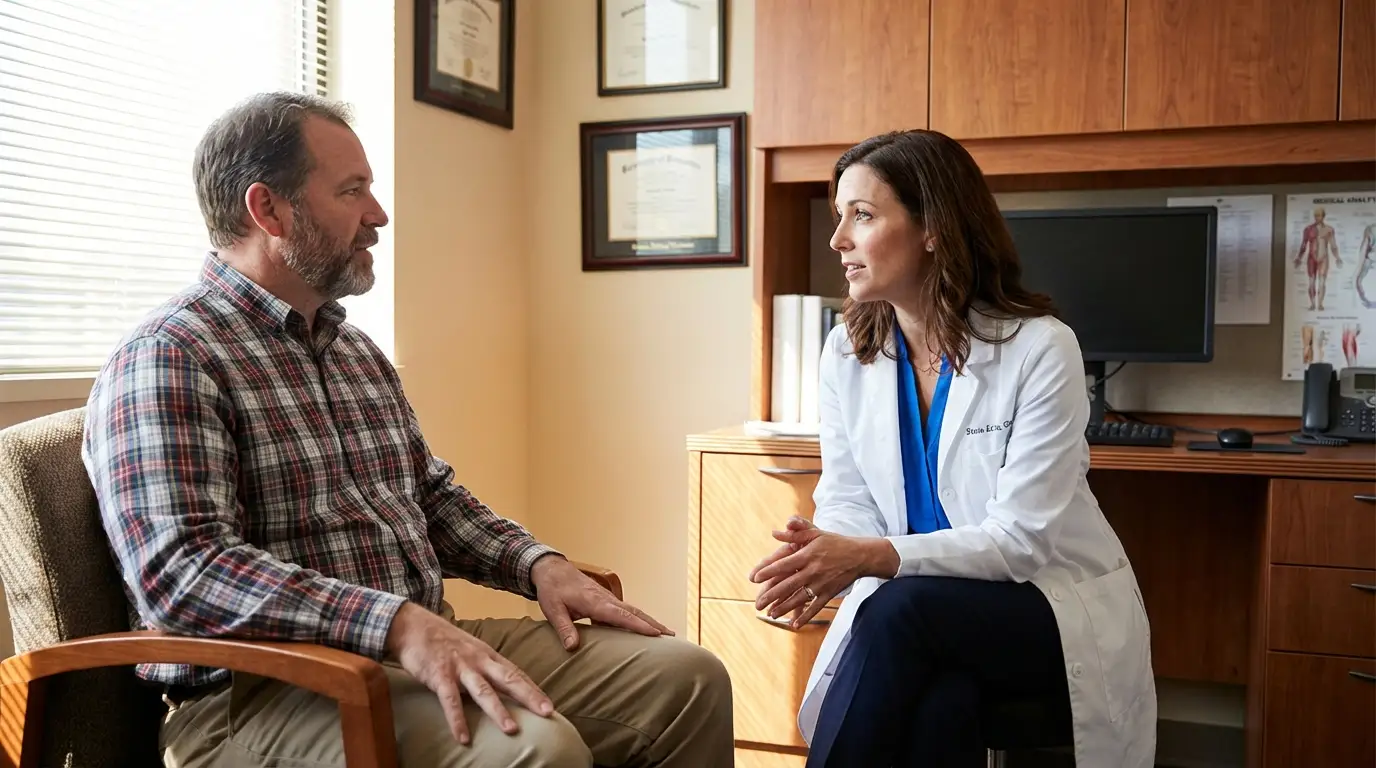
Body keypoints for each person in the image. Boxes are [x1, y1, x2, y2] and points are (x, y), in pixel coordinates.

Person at [81, 92, 732, 768]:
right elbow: (184, 574)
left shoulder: (353, 350)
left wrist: (536, 563)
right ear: (266, 208)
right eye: (351, 190)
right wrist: (392, 623)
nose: (378, 214)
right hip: (261, 694)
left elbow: (429, 497)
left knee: (687, 679)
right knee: (537, 752)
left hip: (413, 643)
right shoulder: (169, 355)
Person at [747, 129, 1156, 768]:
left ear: (932, 226)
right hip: (924, 621)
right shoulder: (846, 353)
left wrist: (867, 557)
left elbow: (1020, 543)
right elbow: (850, 499)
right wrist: (829, 548)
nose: (838, 241)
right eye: (838, 217)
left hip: (1044, 607)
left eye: (863, 215)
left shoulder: (1040, 349)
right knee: (941, 702)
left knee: (899, 609)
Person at [1294, 207, 1342, 311]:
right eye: (1315, 215)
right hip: (1311, 258)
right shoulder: (1308, 229)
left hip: (1323, 258)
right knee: (1311, 282)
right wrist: (1299, 257)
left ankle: (1320, 304)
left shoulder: (1329, 230)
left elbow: (1333, 245)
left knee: (1321, 282)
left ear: (1323, 216)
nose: (1317, 218)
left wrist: (1337, 257)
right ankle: (1312, 304)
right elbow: (1303, 245)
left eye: (1319, 215)